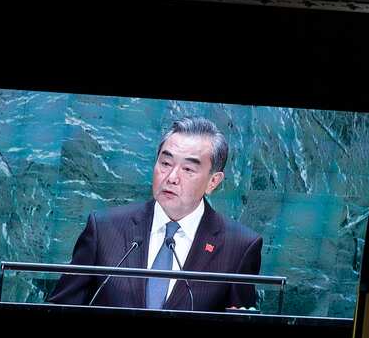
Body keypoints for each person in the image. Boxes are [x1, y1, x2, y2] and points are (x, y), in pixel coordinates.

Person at [48, 117, 261, 311]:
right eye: (165, 163)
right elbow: (60, 307)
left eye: (188, 169)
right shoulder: (104, 228)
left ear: (213, 181)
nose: (171, 177)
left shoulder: (240, 246)